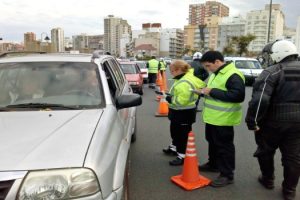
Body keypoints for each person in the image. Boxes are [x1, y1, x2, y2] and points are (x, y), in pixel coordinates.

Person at [245, 40, 300, 200]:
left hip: (272, 122)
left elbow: (259, 100)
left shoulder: (272, 71)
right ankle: (289, 191)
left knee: (265, 151)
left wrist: (252, 121)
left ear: (278, 53)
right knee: (293, 157)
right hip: (298, 123)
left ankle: (268, 179)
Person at [196, 51, 245, 187]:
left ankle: (227, 175)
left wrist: (211, 91)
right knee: (212, 141)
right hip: (213, 117)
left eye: (208, 66)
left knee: (224, 147)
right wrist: (203, 90)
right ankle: (214, 164)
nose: (208, 69)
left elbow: (237, 95)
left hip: (224, 118)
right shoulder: (216, 73)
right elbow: (215, 90)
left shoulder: (233, 74)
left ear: (217, 62)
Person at [162, 60, 206, 166]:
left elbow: (181, 100)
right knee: (175, 131)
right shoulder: (183, 78)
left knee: (182, 135)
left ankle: (182, 155)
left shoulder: (185, 82)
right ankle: (175, 147)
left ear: (178, 70)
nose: (171, 73)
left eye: (172, 71)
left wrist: (168, 98)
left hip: (183, 112)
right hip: (179, 111)